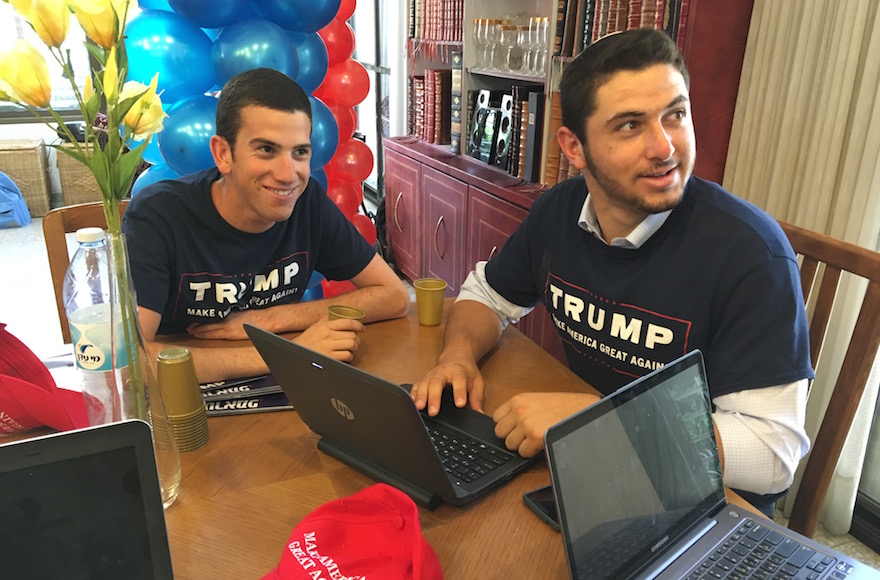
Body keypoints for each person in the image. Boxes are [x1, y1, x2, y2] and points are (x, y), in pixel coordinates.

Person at [411, 29, 814, 515]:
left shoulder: (752, 255)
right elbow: (486, 296)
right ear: (574, 148)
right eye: (629, 125)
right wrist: (457, 356)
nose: (664, 147)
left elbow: (773, 454)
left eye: (676, 115)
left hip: (701, 508)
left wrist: (604, 423)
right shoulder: (558, 212)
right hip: (590, 469)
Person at [123, 68, 409, 383]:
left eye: (300, 152)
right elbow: (130, 365)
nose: (288, 174)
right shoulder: (158, 216)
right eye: (266, 150)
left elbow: (394, 295)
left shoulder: (307, 201)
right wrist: (286, 355)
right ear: (223, 154)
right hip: (183, 398)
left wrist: (268, 319)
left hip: (279, 395)